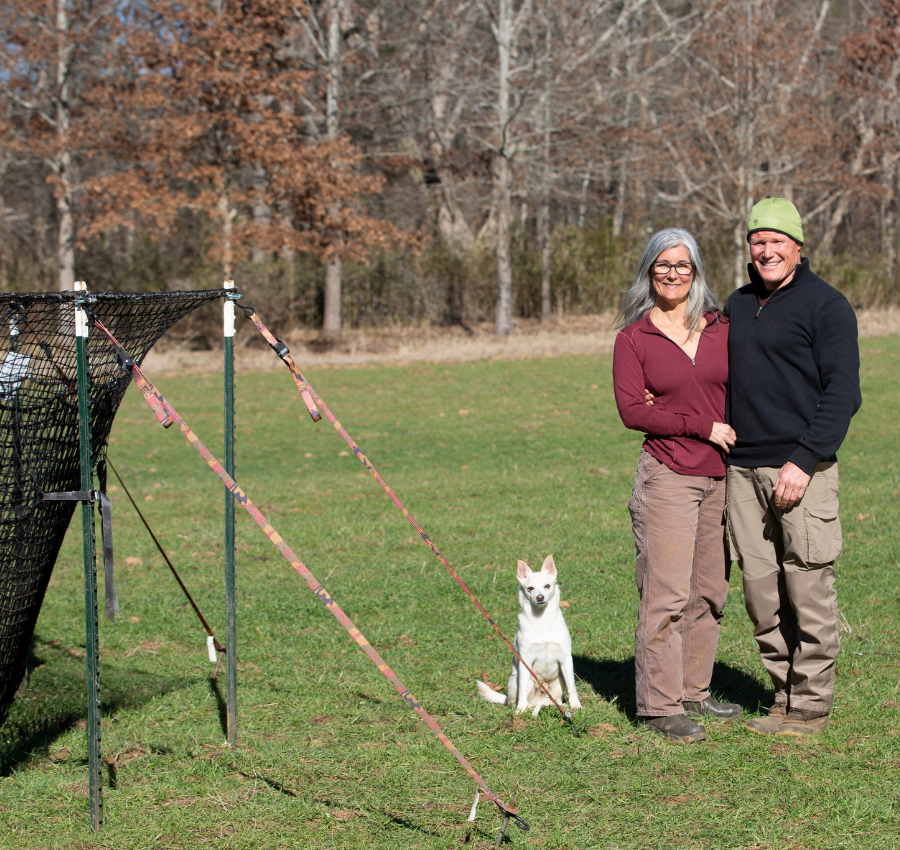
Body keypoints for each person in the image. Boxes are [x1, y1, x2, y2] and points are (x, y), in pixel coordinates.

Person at [724, 198, 861, 737]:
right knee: (761, 592)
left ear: (798, 247)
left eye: (777, 240)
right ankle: (780, 696)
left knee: (807, 587)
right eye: (758, 241)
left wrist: (803, 461)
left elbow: (843, 394)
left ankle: (810, 707)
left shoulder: (827, 306)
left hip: (801, 468)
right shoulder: (736, 304)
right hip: (741, 471)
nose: (766, 250)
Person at [613, 227, 742, 743]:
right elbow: (631, 411)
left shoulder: (720, 327)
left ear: (696, 272)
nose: (673, 274)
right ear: (649, 270)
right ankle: (659, 705)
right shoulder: (634, 338)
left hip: (719, 476)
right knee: (665, 594)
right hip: (667, 474)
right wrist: (699, 424)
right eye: (663, 265)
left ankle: (694, 691)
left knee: (709, 591)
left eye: (682, 266)